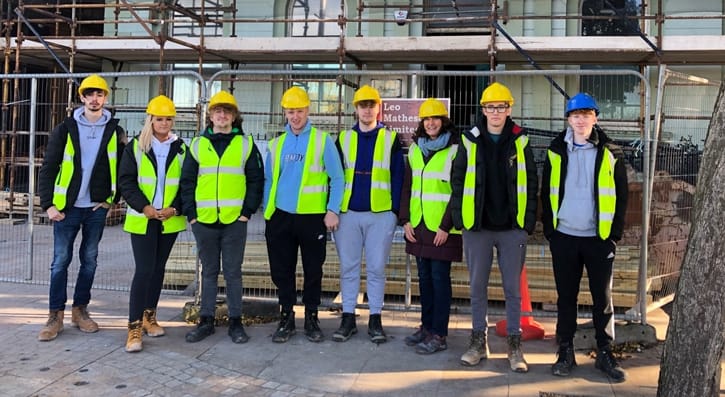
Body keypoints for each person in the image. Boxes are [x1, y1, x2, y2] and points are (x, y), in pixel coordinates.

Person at [450, 82, 538, 373]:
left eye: (501, 107)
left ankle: (515, 346)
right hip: (478, 228)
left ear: (509, 109)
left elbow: (532, 182)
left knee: (512, 289)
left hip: (512, 228)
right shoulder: (470, 139)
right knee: (477, 287)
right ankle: (478, 342)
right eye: (491, 107)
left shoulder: (521, 139)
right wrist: (461, 221)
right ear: (483, 110)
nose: (496, 112)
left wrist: (526, 224)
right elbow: (458, 180)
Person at [542, 93, 629, 382]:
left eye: (586, 114)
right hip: (564, 236)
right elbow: (546, 192)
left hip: (598, 238)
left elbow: (622, 195)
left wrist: (613, 235)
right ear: (568, 119)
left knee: (601, 298)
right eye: (575, 115)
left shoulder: (611, 152)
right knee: (566, 298)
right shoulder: (556, 151)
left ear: (596, 118)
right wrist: (551, 232)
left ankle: (605, 351)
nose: (580, 120)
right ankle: (565, 350)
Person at [37, 74, 127, 341]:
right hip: (66, 208)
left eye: (99, 94)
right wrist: (48, 205)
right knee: (60, 262)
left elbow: (122, 167)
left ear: (105, 98)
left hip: (95, 208)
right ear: (82, 97)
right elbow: (49, 167)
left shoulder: (115, 130)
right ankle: (55, 316)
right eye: (90, 94)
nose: (95, 99)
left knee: (89, 261)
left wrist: (112, 199)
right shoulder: (64, 128)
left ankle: (80, 311)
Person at [180, 91, 264, 344]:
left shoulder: (246, 145)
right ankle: (206, 320)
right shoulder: (196, 145)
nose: (222, 115)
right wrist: (192, 216)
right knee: (208, 272)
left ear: (234, 116)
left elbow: (256, 181)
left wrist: (246, 213)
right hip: (204, 221)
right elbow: (186, 182)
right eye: (218, 110)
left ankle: (235, 322)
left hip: (233, 222)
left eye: (227, 111)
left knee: (233, 272)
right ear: (210, 115)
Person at [264, 86, 344, 343]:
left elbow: (338, 177)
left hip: (312, 217)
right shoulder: (276, 144)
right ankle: (286, 317)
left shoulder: (323, 140)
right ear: (284, 113)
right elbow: (268, 180)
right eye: (290, 111)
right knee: (282, 271)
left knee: (313, 270)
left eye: (299, 111)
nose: (295, 116)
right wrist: (269, 211)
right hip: (281, 217)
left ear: (308, 110)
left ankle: (311, 317)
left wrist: (333, 210)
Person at [331, 85, 404, 344]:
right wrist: (333, 209)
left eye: (371, 104)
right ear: (356, 108)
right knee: (349, 268)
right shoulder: (343, 139)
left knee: (376, 269)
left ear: (378, 107)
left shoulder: (391, 139)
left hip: (380, 214)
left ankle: (375, 319)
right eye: (363, 105)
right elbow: (335, 176)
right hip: (348, 213)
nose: (367, 109)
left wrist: (394, 212)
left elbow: (399, 177)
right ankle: (348, 317)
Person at [119, 95, 187, 352]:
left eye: (168, 119)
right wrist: (145, 207)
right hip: (143, 218)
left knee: (158, 269)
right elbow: (126, 181)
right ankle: (134, 327)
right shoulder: (135, 147)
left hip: (169, 219)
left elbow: (186, 183)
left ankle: (150, 317)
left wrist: (175, 208)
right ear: (150, 120)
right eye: (159, 118)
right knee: (144, 270)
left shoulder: (181, 148)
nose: (164, 123)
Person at [399, 98, 462, 354]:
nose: (431, 122)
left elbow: (458, 191)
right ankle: (426, 327)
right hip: (419, 226)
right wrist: (404, 220)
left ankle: (439, 333)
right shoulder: (415, 150)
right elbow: (407, 188)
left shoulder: (456, 150)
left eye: (435, 118)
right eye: (427, 119)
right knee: (424, 279)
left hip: (441, 230)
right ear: (422, 123)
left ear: (443, 121)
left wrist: (446, 226)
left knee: (439, 279)